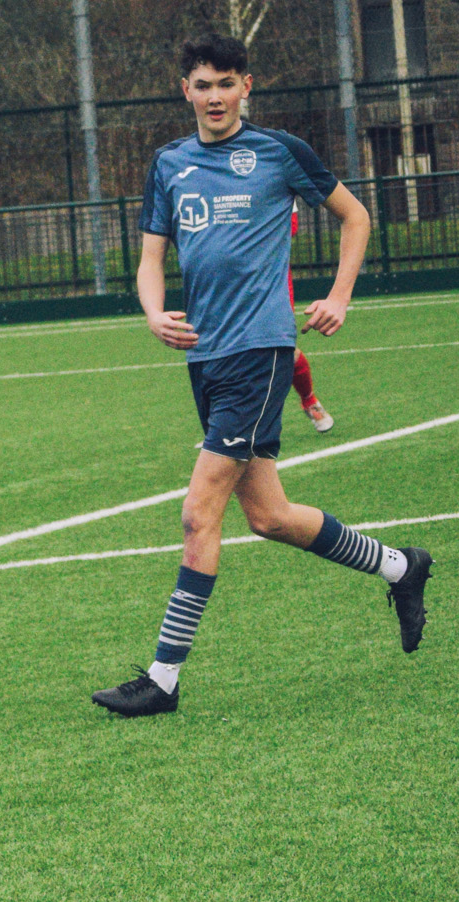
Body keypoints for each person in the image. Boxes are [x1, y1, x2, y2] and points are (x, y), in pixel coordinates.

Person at [94, 35, 430, 720]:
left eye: (225, 83)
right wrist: (154, 312)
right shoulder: (170, 165)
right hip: (205, 357)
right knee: (270, 517)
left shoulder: (279, 152)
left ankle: (162, 679)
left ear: (247, 86)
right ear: (183, 90)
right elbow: (151, 257)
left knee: (198, 514)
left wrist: (338, 295)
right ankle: (401, 567)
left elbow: (355, 216)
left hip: (261, 351)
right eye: (201, 84)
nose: (213, 96)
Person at [289, 205, 333, 432]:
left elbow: (292, 225)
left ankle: (309, 400)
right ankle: (219, 429)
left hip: (268, 279)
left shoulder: (268, 170)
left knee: (284, 349)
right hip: (222, 283)